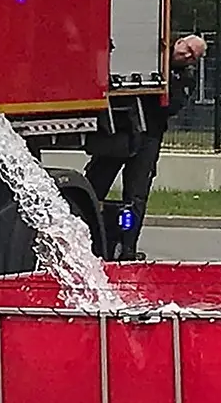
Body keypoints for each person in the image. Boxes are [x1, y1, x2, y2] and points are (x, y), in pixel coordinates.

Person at [85, 33, 207, 260]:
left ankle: (127, 247)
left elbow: (171, 106)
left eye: (193, 56)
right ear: (178, 42)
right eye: (188, 49)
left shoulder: (185, 77)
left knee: (135, 196)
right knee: (94, 186)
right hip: (120, 131)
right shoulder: (152, 51)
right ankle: (83, 236)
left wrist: (169, 82)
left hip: (148, 138)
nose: (187, 56)